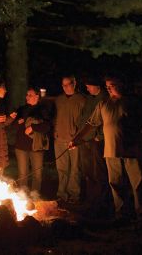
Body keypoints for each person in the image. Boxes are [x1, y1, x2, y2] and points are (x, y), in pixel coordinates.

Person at [70, 76, 142, 223]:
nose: (109, 88)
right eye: (107, 86)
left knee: (137, 182)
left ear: (121, 84)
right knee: (115, 183)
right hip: (111, 149)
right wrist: (78, 139)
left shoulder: (133, 102)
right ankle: (120, 214)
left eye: (112, 85)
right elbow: (91, 123)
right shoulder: (103, 104)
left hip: (131, 148)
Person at [76, 76, 110, 217]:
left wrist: (100, 136)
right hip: (85, 140)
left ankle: (102, 202)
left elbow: (106, 120)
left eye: (89, 85)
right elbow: (85, 118)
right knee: (87, 171)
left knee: (99, 172)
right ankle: (91, 201)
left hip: (96, 141)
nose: (87, 88)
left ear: (97, 86)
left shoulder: (104, 99)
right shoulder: (89, 99)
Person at [53, 76, 86, 204]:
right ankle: (62, 193)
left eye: (68, 84)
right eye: (63, 85)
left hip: (74, 139)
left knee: (75, 169)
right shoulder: (59, 100)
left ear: (74, 83)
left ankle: (74, 194)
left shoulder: (82, 100)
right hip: (59, 139)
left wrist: (78, 137)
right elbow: (56, 116)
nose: (65, 87)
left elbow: (84, 121)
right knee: (61, 168)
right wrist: (55, 130)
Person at [13, 87, 50, 193]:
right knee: (23, 174)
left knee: (37, 174)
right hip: (21, 146)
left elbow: (47, 126)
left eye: (30, 95)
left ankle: (34, 197)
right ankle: (22, 197)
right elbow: (14, 126)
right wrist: (17, 122)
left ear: (37, 96)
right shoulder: (21, 109)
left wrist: (33, 127)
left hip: (37, 146)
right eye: (26, 95)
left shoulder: (43, 110)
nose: (27, 97)